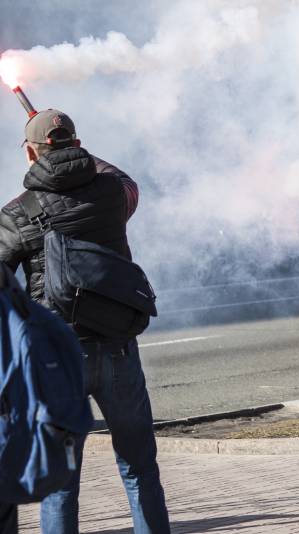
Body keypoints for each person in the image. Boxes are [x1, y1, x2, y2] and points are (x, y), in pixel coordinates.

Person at [0, 110, 170, 534]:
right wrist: (80, 154)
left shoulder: (17, 213)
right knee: (140, 468)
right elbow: (126, 180)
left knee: (60, 482)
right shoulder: (112, 194)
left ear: (28, 152)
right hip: (117, 348)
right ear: (78, 146)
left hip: (58, 360)